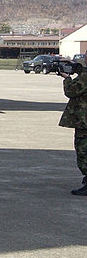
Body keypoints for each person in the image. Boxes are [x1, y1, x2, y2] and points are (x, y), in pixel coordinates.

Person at [57, 62, 87, 195]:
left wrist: (67, 78)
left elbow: (71, 91)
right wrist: (79, 69)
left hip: (84, 121)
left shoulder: (85, 77)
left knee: (83, 151)